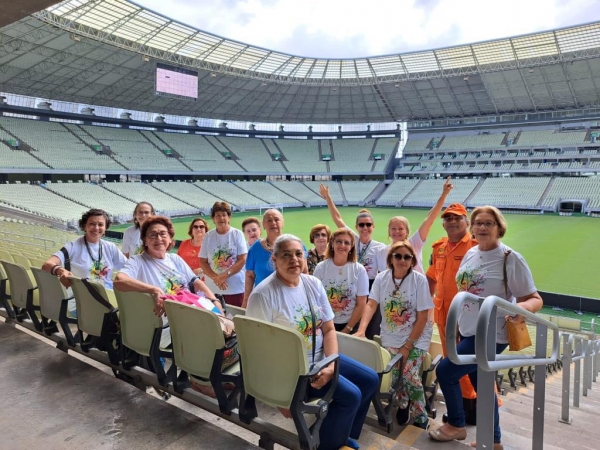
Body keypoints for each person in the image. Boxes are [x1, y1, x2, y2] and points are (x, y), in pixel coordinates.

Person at [246, 234, 379, 450]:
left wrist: (331, 363)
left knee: (370, 379)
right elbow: (257, 350)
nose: (294, 260)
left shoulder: (313, 284)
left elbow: (328, 330)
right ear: (274, 259)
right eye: (286, 255)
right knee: (351, 396)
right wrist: (281, 396)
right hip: (295, 372)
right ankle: (327, 445)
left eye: (298, 254)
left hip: (321, 359)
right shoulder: (263, 295)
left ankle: (339, 434)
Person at [429, 206, 543, 449]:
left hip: (492, 333)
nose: (482, 227)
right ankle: (494, 441)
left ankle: (457, 425)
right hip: (468, 330)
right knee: (482, 383)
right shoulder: (471, 253)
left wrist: (520, 311)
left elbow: (535, 298)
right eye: (478, 223)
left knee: (446, 372)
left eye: (488, 223)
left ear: (499, 228)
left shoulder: (510, 258)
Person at [357, 240, 433, 429]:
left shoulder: (419, 280)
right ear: (390, 258)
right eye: (397, 255)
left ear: (412, 260)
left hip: (417, 336)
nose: (402, 260)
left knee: (407, 374)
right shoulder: (382, 278)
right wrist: (361, 329)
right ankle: (403, 403)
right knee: (395, 374)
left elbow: (423, 316)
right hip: (390, 334)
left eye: (407, 257)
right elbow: (371, 304)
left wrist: (408, 345)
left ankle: (420, 414)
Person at [426, 203, 478, 424]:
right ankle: (465, 408)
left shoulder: (476, 247)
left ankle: (472, 407)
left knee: (465, 365)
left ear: (467, 222)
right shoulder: (438, 247)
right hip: (442, 314)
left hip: (466, 318)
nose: (452, 221)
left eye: (457, 217)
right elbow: (431, 277)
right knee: (451, 361)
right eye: (448, 218)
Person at [114, 215, 220, 315]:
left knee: (223, 321)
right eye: (153, 235)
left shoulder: (175, 259)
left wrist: (215, 302)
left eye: (163, 234)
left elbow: (196, 282)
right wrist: (154, 290)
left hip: (190, 311)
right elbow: (119, 281)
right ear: (145, 241)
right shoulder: (138, 261)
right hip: (168, 322)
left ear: (170, 239)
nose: (159, 238)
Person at [376, 177, 454, 275]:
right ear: (389, 232)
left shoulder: (414, 243)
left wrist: (444, 194)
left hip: (417, 289)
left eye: (400, 229)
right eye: (393, 229)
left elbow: (429, 220)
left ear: (407, 232)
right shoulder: (383, 251)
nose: (397, 231)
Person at [43, 208, 126, 290]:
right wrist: (60, 271)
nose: (96, 228)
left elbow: (128, 267)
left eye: (100, 225)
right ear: (85, 226)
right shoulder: (72, 246)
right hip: (83, 297)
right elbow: (47, 265)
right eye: (92, 224)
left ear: (105, 228)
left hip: (107, 295)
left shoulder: (111, 247)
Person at [243, 209, 307, 307]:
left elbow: (304, 273)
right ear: (263, 225)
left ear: (283, 223)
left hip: (292, 300)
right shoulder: (255, 249)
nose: (273, 223)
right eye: (269, 220)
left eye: (277, 219)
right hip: (264, 300)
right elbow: (250, 275)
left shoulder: (296, 245)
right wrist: (246, 300)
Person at [313, 228, 369, 333]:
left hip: (351, 324)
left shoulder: (359, 270)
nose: (342, 245)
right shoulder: (321, 268)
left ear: (352, 246)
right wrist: (327, 327)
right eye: (338, 241)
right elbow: (316, 300)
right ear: (332, 244)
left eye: (346, 242)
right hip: (325, 324)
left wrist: (347, 329)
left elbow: (361, 304)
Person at [199, 202, 247, 307]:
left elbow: (242, 259)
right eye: (218, 215)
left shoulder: (237, 234)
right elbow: (203, 262)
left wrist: (224, 276)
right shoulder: (208, 236)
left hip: (235, 289)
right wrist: (216, 278)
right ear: (213, 219)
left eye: (224, 215)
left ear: (229, 217)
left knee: (234, 319)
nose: (221, 218)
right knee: (216, 319)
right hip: (213, 289)